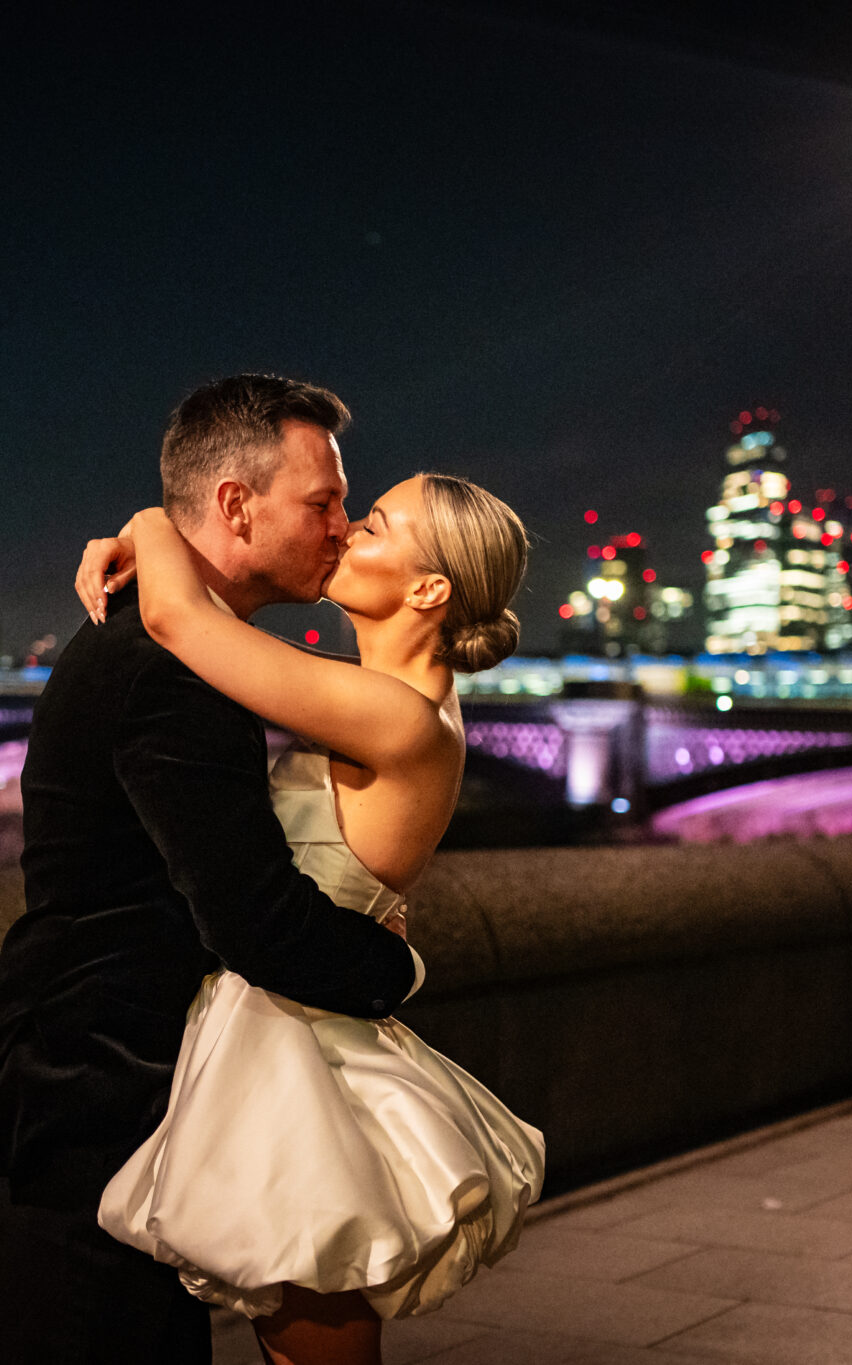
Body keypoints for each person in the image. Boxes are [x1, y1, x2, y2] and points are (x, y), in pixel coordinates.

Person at [0, 374, 427, 1364]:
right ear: (234, 505)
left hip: (97, 1091)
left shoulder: (173, 642)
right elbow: (249, 917)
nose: (339, 525)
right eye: (322, 501)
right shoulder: (170, 670)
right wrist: (392, 968)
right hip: (83, 1098)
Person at [74, 469, 544, 1365]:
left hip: (301, 1045)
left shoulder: (395, 715)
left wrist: (149, 518)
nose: (342, 533)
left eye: (371, 525)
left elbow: (180, 620)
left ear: (428, 589)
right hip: (290, 1019)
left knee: (312, 1339)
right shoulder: (397, 702)